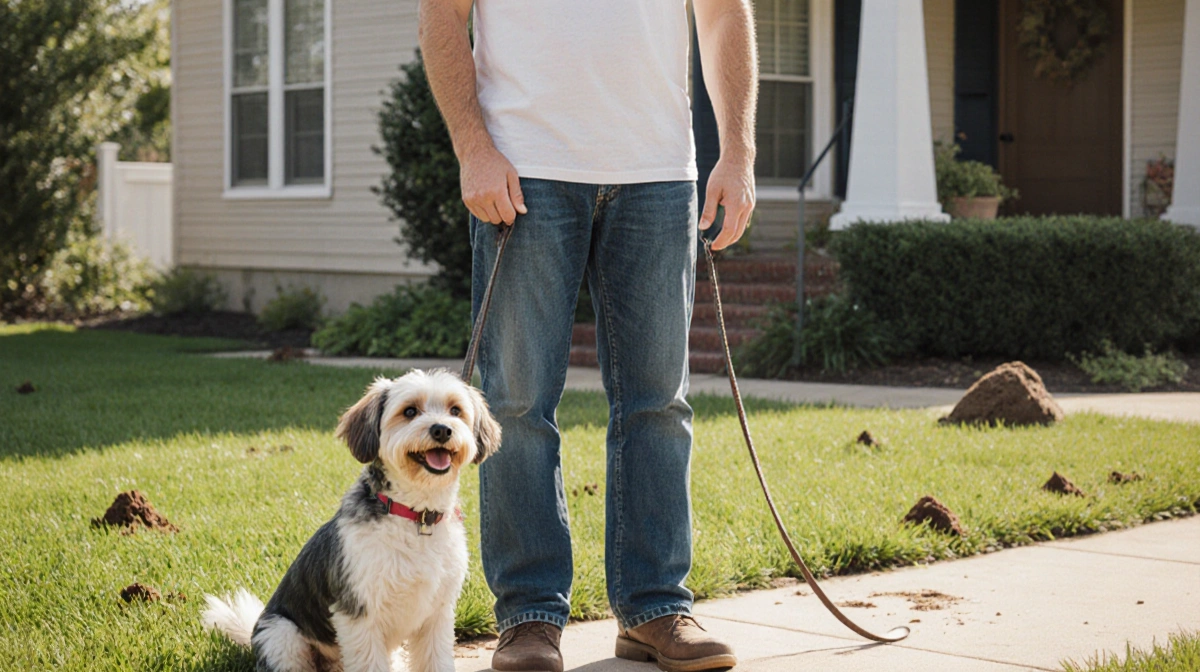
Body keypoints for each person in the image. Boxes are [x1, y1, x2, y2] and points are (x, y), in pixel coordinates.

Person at [419, 0, 757, 669]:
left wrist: (739, 153)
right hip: (524, 171)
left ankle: (656, 607)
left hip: (659, 175)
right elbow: (441, 16)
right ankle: (529, 617)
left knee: (659, 404)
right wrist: (474, 150)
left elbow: (724, 14)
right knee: (516, 403)